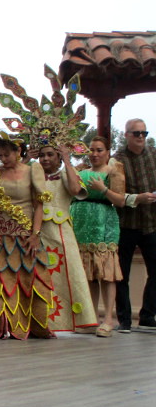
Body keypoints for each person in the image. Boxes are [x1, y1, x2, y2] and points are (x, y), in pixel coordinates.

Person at [0, 134, 53, 339]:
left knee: (29, 282)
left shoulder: (32, 170)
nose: (3, 159)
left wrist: (35, 234)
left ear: (18, 151)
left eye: (7, 155)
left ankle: (32, 325)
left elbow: (39, 205)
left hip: (25, 237)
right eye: (0, 155)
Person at [38, 143, 96, 332]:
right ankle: (42, 321)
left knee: (72, 272)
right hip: (38, 232)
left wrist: (67, 160)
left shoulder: (65, 172)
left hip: (62, 231)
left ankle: (78, 322)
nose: (46, 158)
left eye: (50, 154)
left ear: (58, 157)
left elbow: (75, 190)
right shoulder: (34, 174)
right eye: (42, 155)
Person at [70, 137, 125, 337]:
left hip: (104, 225)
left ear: (107, 152)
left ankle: (108, 319)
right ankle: (91, 318)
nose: (94, 154)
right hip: (82, 225)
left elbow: (120, 200)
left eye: (99, 150)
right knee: (90, 274)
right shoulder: (82, 171)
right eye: (91, 150)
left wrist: (103, 189)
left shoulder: (113, 171)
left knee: (107, 273)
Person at [113, 119, 156, 333]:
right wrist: (137, 198)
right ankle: (124, 320)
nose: (141, 137)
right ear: (127, 135)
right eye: (136, 133)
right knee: (122, 274)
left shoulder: (154, 154)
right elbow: (115, 194)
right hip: (126, 224)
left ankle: (147, 315)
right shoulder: (117, 160)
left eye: (144, 133)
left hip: (151, 223)